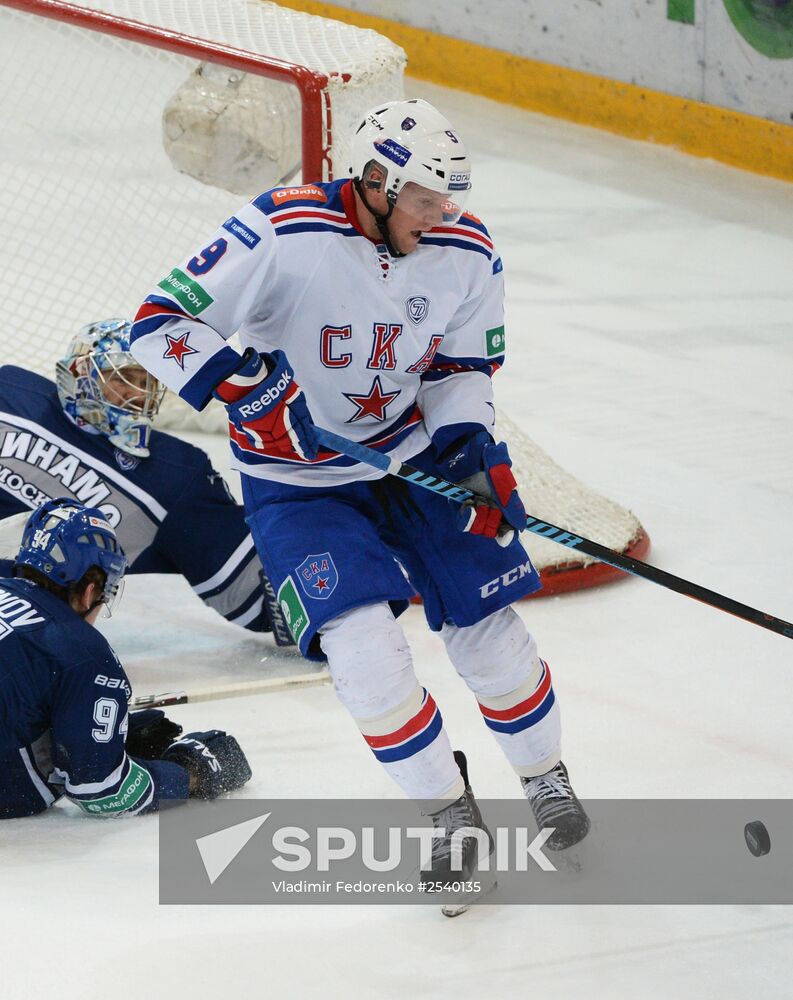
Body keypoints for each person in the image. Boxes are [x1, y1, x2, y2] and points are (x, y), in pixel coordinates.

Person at [130, 98, 589, 885]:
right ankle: (447, 811)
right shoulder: (282, 230)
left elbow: (458, 369)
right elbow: (157, 322)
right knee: (363, 653)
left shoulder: (467, 251)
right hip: (297, 484)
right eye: (423, 196)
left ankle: (544, 775)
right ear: (374, 181)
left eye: (447, 196)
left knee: (488, 631)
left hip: (411, 463)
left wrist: (469, 449)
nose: (441, 211)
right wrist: (245, 389)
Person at [0, 319, 291, 645]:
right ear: (82, 374)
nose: (137, 394)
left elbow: (255, 599)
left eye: (146, 381)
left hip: (31, 634)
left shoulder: (177, 475)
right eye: (122, 378)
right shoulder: (10, 393)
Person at [0, 497, 251, 819]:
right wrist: (190, 771)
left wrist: (89, 731)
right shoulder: (84, 654)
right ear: (90, 589)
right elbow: (102, 791)